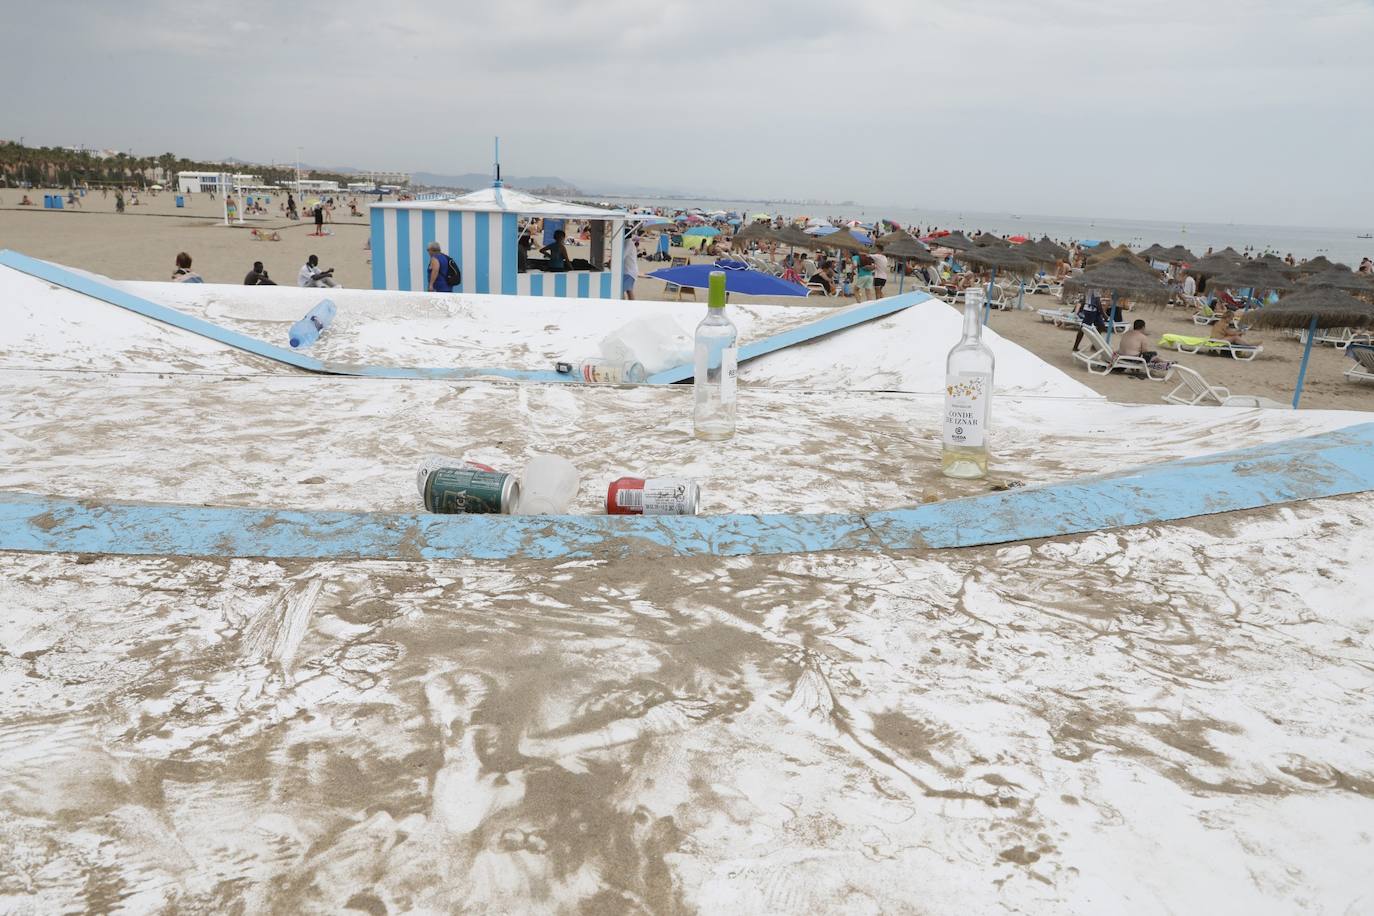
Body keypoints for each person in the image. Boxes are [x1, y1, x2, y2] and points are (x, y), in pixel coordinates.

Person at [622, 230, 640, 300]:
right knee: (628, 290)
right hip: (629, 271)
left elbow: (622, 256)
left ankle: (624, 305)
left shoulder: (628, 243)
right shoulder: (627, 242)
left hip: (629, 272)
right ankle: (631, 306)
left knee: (622, 290)